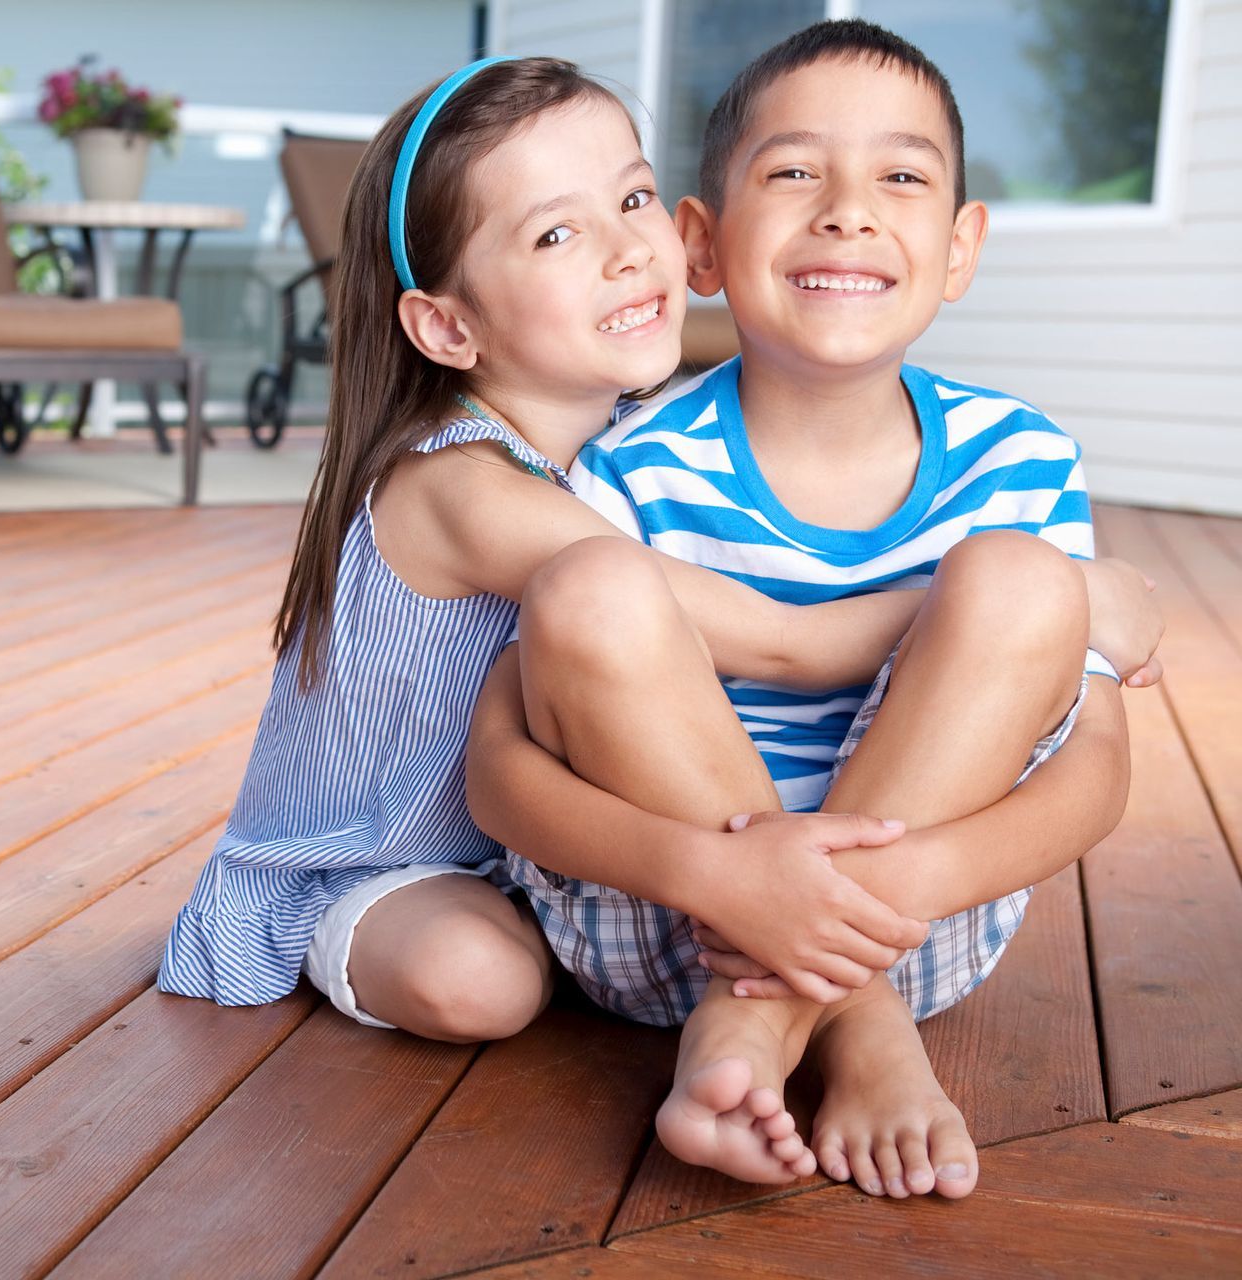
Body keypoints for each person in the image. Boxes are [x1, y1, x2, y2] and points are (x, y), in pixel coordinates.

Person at [156, 55, 1156, 1054]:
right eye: (556, 232)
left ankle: (765, 990)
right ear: (448, 325)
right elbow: (782, 641)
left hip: (527, 851)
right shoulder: (466, 487)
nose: (627, 251)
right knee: (482, 982)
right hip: (383, 856)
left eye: (630, 198)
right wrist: (1070, 599)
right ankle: (827, 1006)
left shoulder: (611, 444)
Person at [465, 20, 1161, 1200]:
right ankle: (861, 1029)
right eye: (793, 172)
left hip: (917, 914)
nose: (846, 210)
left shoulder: (1020, 457)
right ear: (702, 242)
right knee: (585, 583)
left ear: (958, 245)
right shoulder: (633, 465)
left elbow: (1093, 764)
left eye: (901, 176)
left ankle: (762, 1020)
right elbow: (498, 767)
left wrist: (891, 889)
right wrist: (724, 878)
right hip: (665, 905)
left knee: (1023, 579)